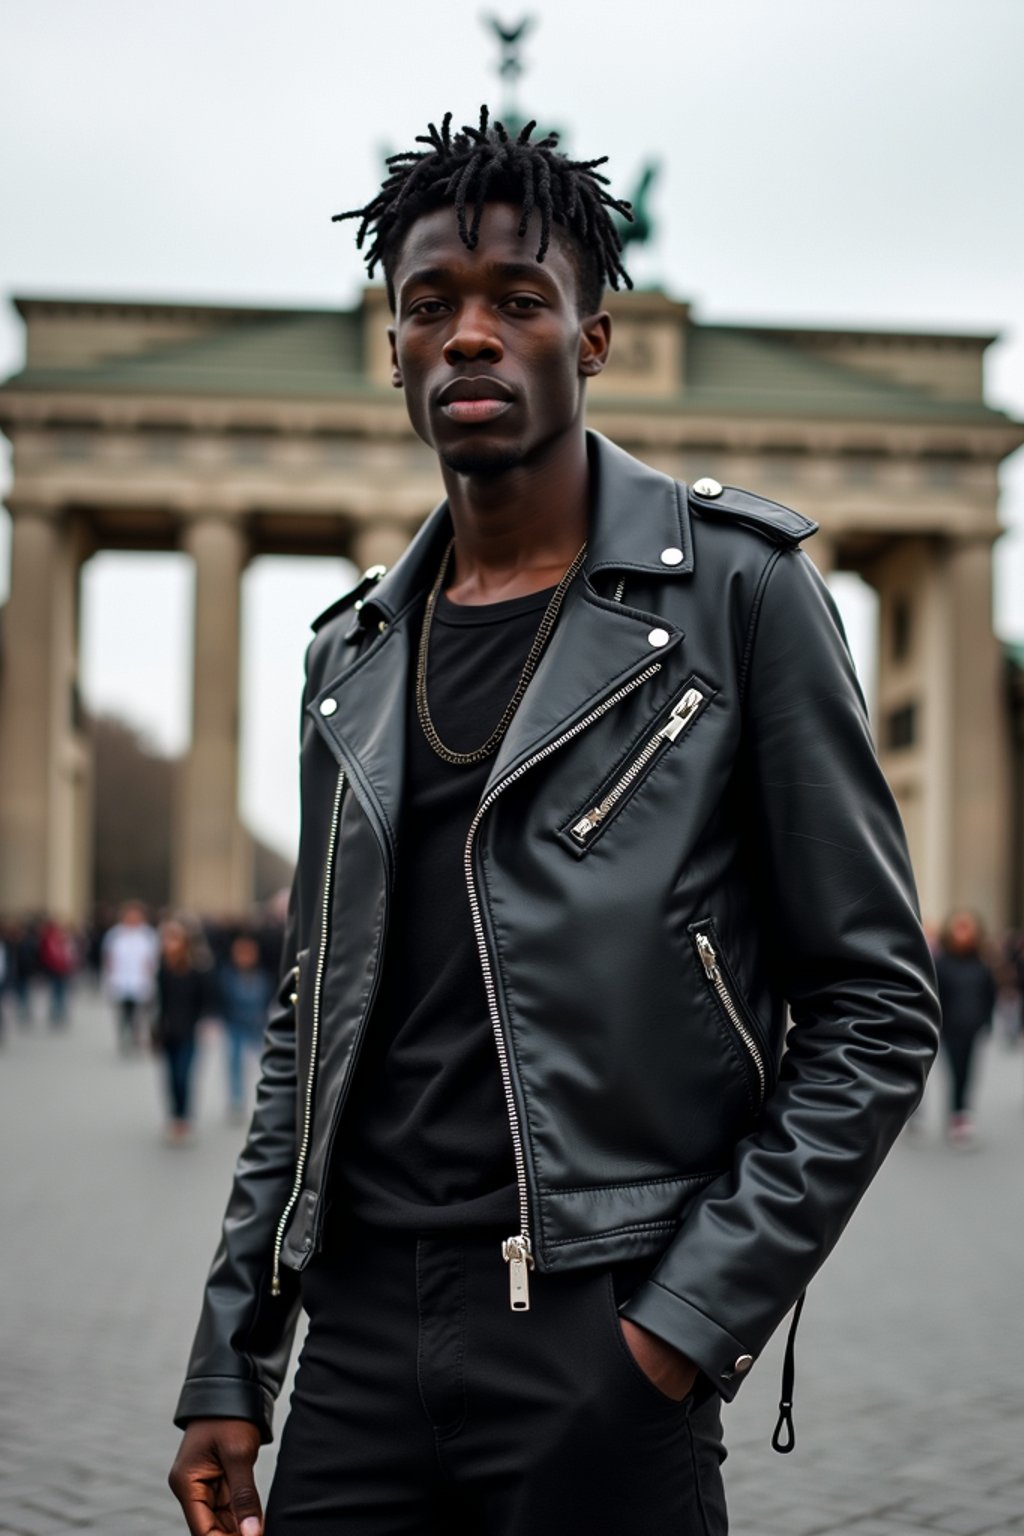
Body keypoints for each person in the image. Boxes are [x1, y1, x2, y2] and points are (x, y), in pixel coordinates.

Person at [169, 107, 940, 1536]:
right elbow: (309, 1025)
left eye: (518, 302)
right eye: (428, 307)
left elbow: (876, 1007)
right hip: (355, 1353)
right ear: (391, 347)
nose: (468, 336)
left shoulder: (739, 598)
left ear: (593, 342)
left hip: (599, 1327)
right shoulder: (350, 656)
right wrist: (234, 1351)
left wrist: (680, 1323)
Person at [934, 909, 996, 1146]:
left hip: (972, 1026)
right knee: (954, 1070)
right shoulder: (942, 963)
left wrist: (987, 1021)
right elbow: (936, 995)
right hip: (949, 1028)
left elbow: (989, 995)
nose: (963, 932)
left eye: (967, 927)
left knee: (968, 1071)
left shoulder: (982, 964)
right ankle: (956, 1113)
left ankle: (962, 1113)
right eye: (959, 927)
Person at [153, 920, 212, 1144]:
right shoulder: (163, 970)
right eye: (167, 939)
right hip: (168, 1032)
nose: (169, 944)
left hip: (189, 1030)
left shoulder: (197, 970)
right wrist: (156, 1031)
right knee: (169, 1076)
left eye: (174, 939)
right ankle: (175, 1116)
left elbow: (207, 999)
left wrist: (206, 1022)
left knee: (183, 1075)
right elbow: (159, 1003)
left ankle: (184, 1116)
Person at [216, 932, 274, 1122]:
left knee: (266, 1062)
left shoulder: (263, 977)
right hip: (235, 1024)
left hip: (257, 1024)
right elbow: (221, 1002)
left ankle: (269, 1099)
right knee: (235, 1063)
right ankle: (236, 1100)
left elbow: (268, 1001)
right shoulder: (227, 975)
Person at [100, 900, 159, 1052]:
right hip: (120, 980)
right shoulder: (114, 934)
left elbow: (153, 959)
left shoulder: (148, 935)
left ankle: (135, 1036)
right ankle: (124, 1036)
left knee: (138, 1012)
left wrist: (151, 978)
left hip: (140, 981)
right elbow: (108, 958)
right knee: (123, 1011)